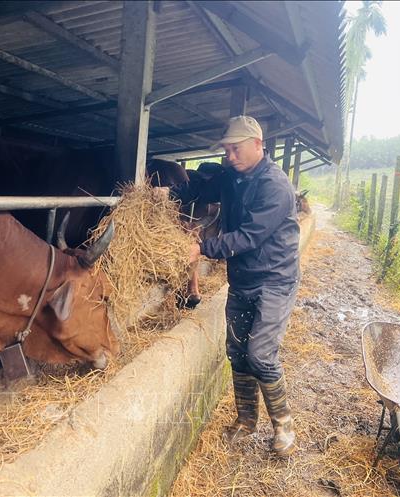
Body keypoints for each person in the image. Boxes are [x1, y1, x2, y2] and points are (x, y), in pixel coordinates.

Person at [156, 115, 300, 457]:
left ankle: (283, 425)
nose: (230, 156)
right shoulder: (231, 176)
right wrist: (165, 193)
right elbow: (198, 189)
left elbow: (249, 237)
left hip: (275, 280)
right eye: (226, 150)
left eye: (235, 149)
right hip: (243, 279)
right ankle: (246, 421)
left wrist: (202, 248)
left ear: (257, 145)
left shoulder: (275, 187)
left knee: (261, 355)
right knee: (236, 353)